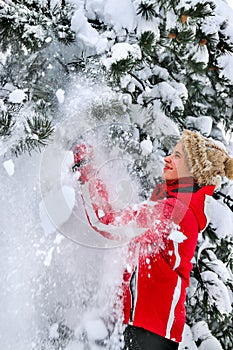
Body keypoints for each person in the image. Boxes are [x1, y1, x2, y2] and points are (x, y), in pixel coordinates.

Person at [72, 129, 233, 350]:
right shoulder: (175, 206)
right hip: (149, 328)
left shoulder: (176, 211)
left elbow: (109, 222)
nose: (168, 158)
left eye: (177, 156)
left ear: (194, 171)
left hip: (151, 334)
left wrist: (86, 169)